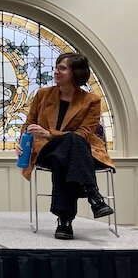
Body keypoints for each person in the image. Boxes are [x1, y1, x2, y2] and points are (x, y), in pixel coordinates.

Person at [17, 52, 114, 240]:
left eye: (62, 68)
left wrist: (49, 133)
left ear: (75, 73)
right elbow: (28, 124)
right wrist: (21, 143)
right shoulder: (43, 95)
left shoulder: (91, 101)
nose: (56, 71)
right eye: (56, 67)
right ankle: (92, 193)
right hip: (46, 149)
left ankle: (64, 222)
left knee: (69, 147)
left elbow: (84, 133)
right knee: (69, 145)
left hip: (78, 152)